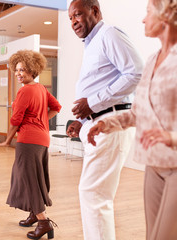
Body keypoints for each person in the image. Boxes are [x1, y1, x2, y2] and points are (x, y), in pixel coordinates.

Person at [88, 0, 177, 239]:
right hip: (153, 163)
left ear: (166, 15)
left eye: (148, 12)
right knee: (152, 235)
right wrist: (105, 123)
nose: (143, 19)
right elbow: (138, 113)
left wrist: (171, 136)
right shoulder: (151, 60)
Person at [67, 0, 144, 239]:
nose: (73, 22)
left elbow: (136, 72)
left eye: (77, 15)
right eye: (70, 18)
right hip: (98, 123)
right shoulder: (92, 44)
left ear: (95, 11)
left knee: (95, 196)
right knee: (92, 195)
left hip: (111, 124)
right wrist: (84, 120)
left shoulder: (109, 34)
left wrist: (93, 103)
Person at [0, 50, 61, 240]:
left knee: (28, 179)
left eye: (23, 70)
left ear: (32, 70)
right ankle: (34, 213)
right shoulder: (41, 88)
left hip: (28, 141)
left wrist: (8, 140)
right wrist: (41, 120)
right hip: (42, 139)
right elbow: (57, 107)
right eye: (16, 70)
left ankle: (43, 222)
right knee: (33, 177)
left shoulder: (25, 90)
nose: (18, 73)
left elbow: (16, 120)